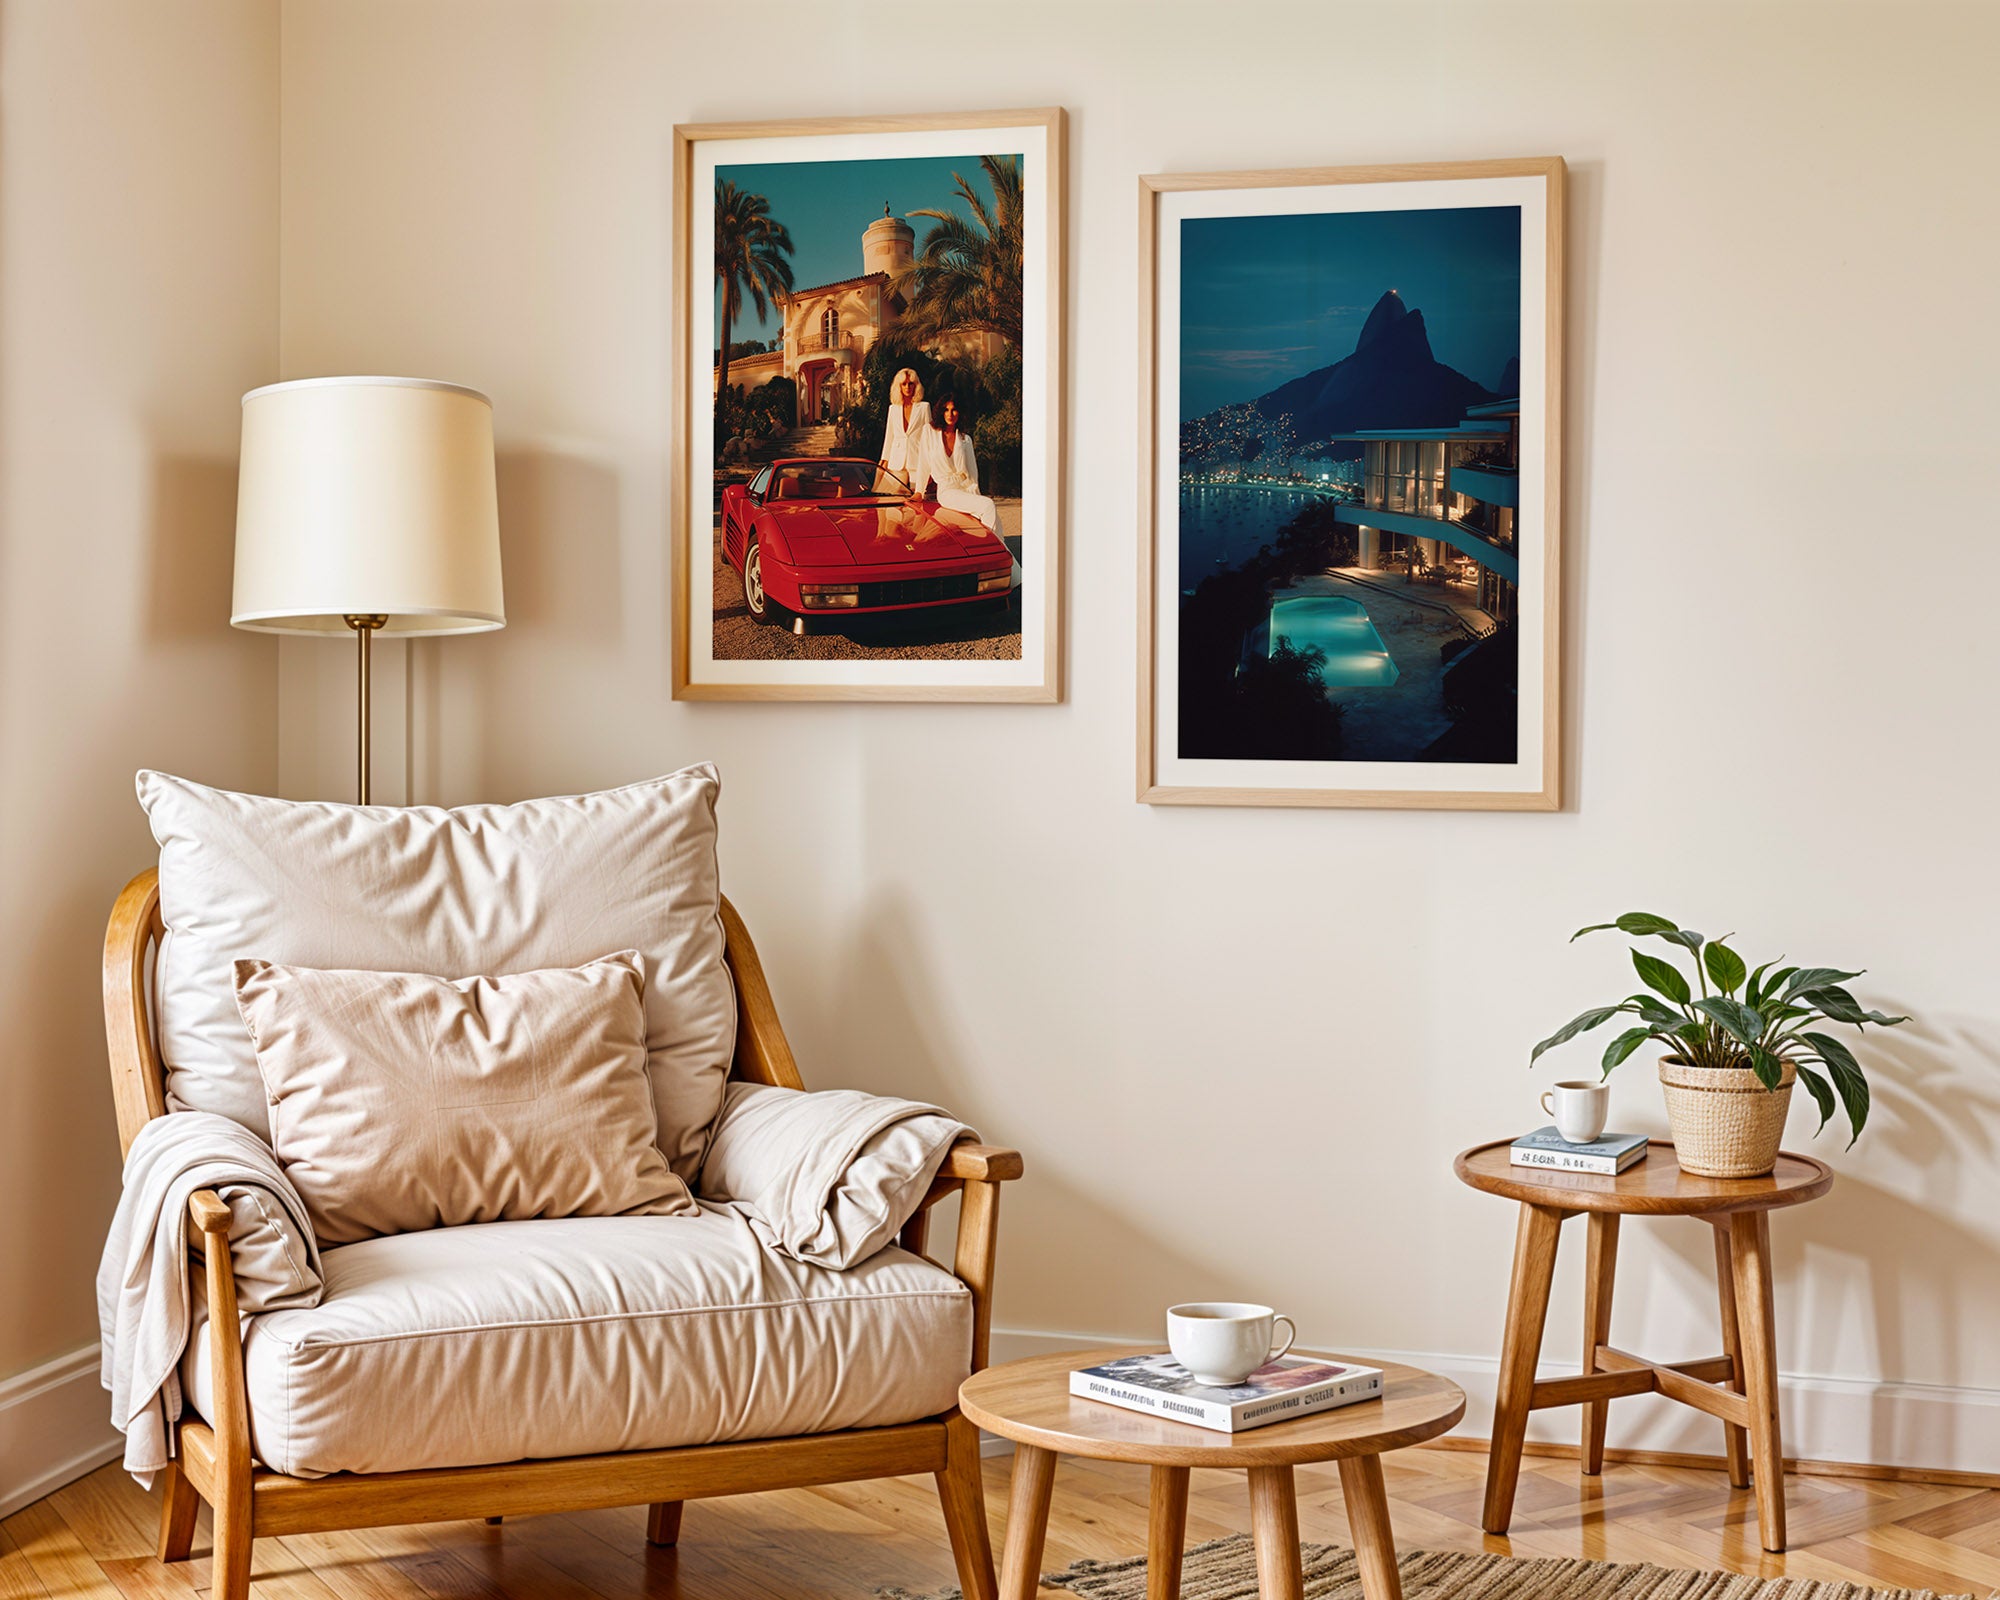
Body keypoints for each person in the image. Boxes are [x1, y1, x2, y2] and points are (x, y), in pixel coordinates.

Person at [914, 395, 998, 534]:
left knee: (990, 513)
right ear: (941, 412)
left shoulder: (965, 439)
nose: (950, 414)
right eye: (946, 410)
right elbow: (923, 462)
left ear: (960, 412)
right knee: (988, 505)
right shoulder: (929, 431)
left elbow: (972, 473)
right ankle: (991, 545)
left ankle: (1000, 547)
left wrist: (976, 495)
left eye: (954, 410)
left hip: (965, 488)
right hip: (947, 490)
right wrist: (919, 491)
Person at [877, 367, 931, 493]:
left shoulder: (924, 407)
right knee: (892, 498)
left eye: (911, 384)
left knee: (918, 496)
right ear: (899, 386)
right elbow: (889, 436)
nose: (907, 387)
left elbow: (929, 437)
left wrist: (930, 463)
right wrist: (884, 459)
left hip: (917, 460)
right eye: (904, 384)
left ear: (916, 386)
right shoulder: (893, 409)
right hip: (896, 460)